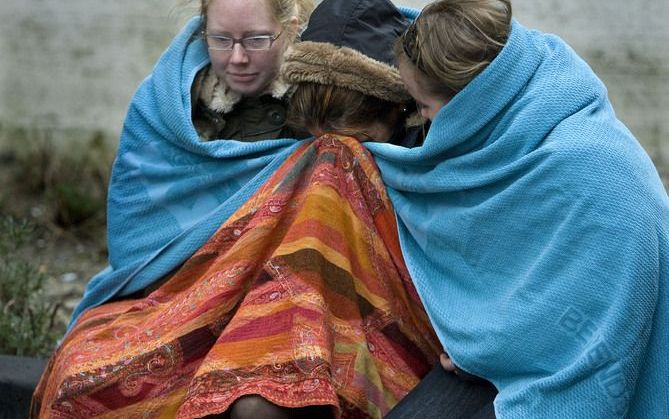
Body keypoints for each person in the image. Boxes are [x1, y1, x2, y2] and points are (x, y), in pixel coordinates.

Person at [31, 0, 442, 417]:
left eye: (256, 40)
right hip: (195, 291)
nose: (238, 57)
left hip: (301, 300)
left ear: (290, 28)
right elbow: (141, 233)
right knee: (82, 379)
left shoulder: (340, 116)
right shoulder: (170, 109)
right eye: (221, 40)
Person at [367, 0, 669, 417]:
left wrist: (486, 351)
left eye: (424, 106)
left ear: (473, 105)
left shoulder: (588, 172)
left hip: (587, 379)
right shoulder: (523, 111)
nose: (422, 120)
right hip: (505, 361)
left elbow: (595, 335)